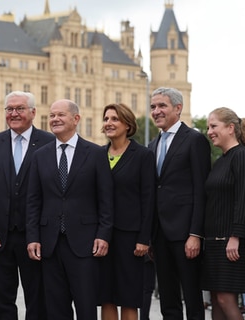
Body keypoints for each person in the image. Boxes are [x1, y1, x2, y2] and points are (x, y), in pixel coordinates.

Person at [26, 99, 114, 319]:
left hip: (85, 244)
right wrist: (33, 237)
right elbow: (33, 201)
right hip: (49, 244)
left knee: (86, 308)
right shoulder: (40, 156)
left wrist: (103, 235)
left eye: (60, 115)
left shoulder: (95, 153)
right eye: (52, 115)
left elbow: (106, 200)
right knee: (56, 309)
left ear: (76, 119)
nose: (54, 119)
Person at [0, 91, 53, 319]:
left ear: (33, 112)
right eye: (9, 109)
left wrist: (40, 234)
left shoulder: (49, 142)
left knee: (38, 300)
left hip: (35, 239)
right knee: (2, 302)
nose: (14, 114)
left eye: (19, 108)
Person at [148, 87, 211, 320]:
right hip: (160, 236)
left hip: (186, 235)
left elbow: (200, 190)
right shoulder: (153, 145)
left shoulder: (194, 140)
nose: (156, 111)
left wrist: (196, 234)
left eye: (161, 106)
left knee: (193, 299)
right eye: (153, 107)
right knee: (167, 299)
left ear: (178, 108)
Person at [201, 107, 245, 319]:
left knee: (226, 299)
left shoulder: (243, 158)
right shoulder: (221, 160)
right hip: (216, 242)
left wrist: (235, 236)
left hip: (232, 242)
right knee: (217, 298)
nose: (209, 131)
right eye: (208, 127)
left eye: (214, 126)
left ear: (230, 128)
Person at [99, 103, 155, 320]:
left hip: (131, 238)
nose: (109, 123)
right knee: (106, 295)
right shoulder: (98, 154)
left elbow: (148, 199)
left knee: (128, 296)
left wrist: (144, 238)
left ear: (128, 124)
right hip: (103, 237)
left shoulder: (142, 155)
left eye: (115, 119)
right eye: (106, 119)